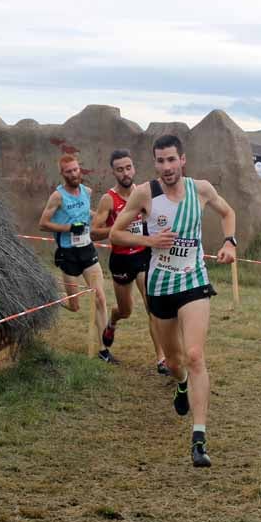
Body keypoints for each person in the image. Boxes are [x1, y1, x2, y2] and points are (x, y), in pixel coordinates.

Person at [110, 134, 237, 468]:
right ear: (155, 163)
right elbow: (115, 234)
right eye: (160, 161)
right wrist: (149, 239)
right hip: (161, 286)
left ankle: (199, 439)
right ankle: (180, 384)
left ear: (182, 160)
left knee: (195, 355)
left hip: (194, 280)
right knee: (175, 362)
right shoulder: (145, 194)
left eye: (171, 160)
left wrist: (230, 242)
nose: (166, 167)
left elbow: (228, 213)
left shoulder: (202, 189)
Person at [91, 149, 168, 374]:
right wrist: (116, 229)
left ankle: (161, 360)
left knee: (152, 307)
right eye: (120, 169)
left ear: (133, 168)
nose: (125, 173)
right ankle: (112, 321)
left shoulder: (143, 193)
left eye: (128, 167)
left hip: (144, 255)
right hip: (122, 260)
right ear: (113, 172)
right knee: (126, 310)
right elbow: (94, 232)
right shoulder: (109, 199)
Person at [38, 153, 115, 364]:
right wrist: (69, 227)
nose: (74, 174)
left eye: (76, 169)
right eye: (69, 171)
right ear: (62, 174)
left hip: (87, 249)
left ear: (80, 170)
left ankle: (103, 349)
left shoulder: (87, 191)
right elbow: (43, 223)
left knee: (99, 297)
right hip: (67, 253)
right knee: (75, 307)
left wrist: (97, 217)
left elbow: (84, 210)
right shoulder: (58, 196)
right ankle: (56, 297)